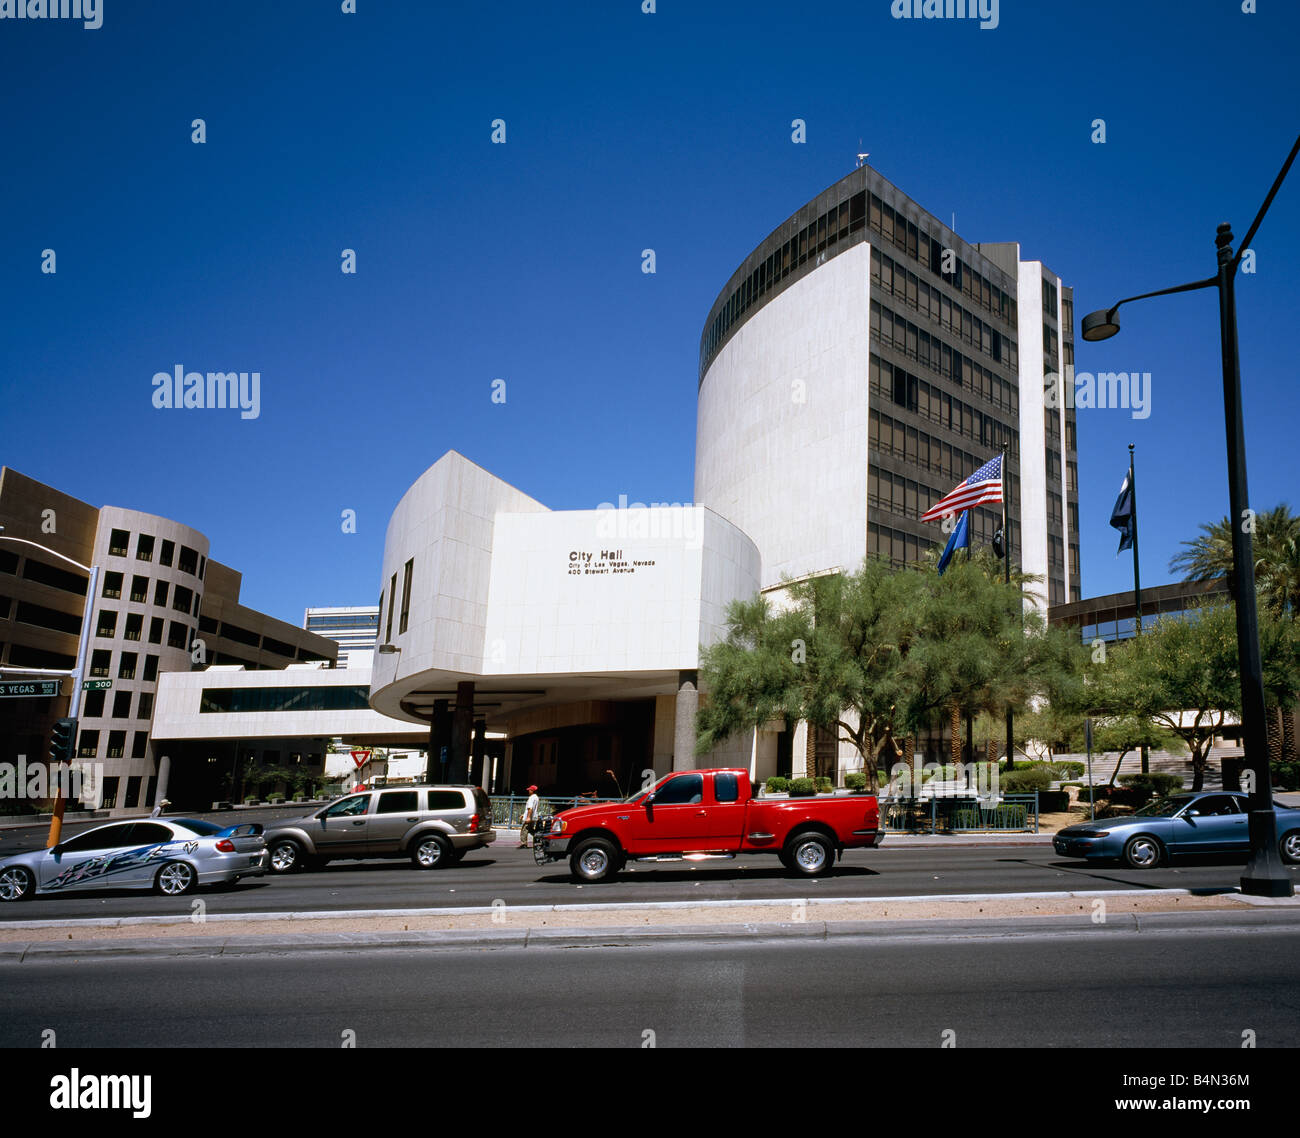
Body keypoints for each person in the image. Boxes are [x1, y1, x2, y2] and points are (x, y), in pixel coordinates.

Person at [517, 784, 540, 848]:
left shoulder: (531, 798)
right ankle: (539, 838)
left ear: (532, 791)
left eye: (529, 790)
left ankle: (524, 844)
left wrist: (528, 817)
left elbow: (530, 808)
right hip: (533, 817)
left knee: (524, 830)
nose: (528, 791)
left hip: (530, 817)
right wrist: (524, 815)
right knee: (530, 829)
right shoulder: (536, 798)